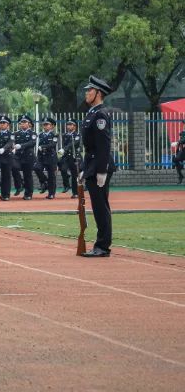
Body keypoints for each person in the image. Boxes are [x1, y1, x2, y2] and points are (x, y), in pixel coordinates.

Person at [80, 76, 115, 258]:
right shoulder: (93, 112)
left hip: (99, 166)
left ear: (98, 93)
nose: (87, 93)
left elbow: (103, 145)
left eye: (90, 90)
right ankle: (101, 244)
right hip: (93, 165)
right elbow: (90, 147)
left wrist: (101, 170)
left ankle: (103, 246)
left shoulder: (100, 114)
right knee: (98, 207)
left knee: (101, 207)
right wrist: (84, 170)